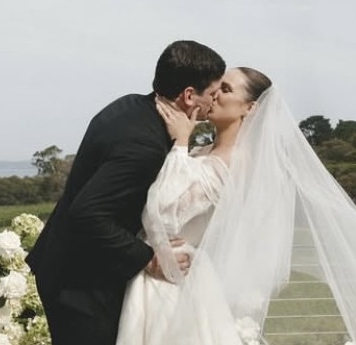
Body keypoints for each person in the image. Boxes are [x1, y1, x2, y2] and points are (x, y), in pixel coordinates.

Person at [118, 66, 356, 345]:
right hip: (163, 271)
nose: (214, 93)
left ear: (250, 108)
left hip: (175, 278)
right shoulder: (202, 150)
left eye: (226, 88)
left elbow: (167, 214)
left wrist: (180, 143)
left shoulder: (237, 161)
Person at [25, 40, 225, 345]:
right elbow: (87, 213)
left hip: (66, 265)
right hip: (80, 283)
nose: (214, 102)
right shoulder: (143, 146)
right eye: (211, 94)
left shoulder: (131, 105)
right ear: (188, 96)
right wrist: (148, 258)